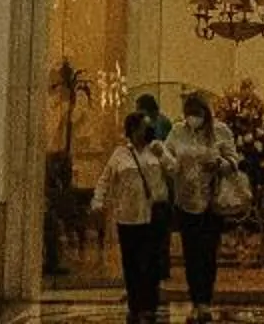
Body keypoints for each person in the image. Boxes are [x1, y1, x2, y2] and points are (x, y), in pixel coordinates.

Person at [162, 91, 244, 322]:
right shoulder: (177, 131)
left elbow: (234, 161)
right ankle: (195, 298)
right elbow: (168, 158)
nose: (192, 119)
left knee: (208, 253)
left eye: (196, 114)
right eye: (189, 114)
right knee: (191, 253)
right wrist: (169, 163)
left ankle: (205, 300)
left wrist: (219, 163)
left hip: (212, 202)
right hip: (186, 201)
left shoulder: (220, 131)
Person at [91, 108, 175, 324]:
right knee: (132, 263)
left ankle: (149, 306)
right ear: (133, 130)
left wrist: (162, 154)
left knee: (152, 263)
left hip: (153, 215)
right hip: (128, 216)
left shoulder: (156, 150)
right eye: (144, 126)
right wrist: (98, 201)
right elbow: (105, 179)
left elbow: (174, 170)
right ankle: (135, 305)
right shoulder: (120, 154)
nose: (149, 130)